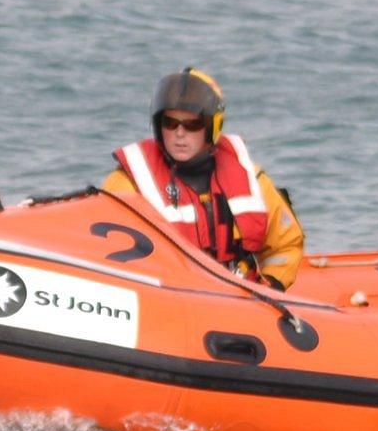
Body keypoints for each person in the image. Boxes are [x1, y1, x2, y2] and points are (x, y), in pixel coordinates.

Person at [103, 68, 305, 290]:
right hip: (166, 299)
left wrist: (272, 286)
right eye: (170, 123)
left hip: (241, 301)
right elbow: (100, 249)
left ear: (211, 127)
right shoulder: (128, 183)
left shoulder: (251, 179)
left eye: (192, 125)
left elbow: (286, 244)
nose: (180, 133)